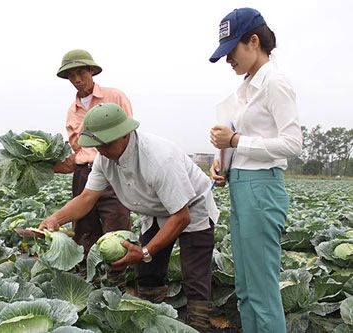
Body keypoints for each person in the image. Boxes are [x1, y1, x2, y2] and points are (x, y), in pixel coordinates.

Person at [40, 103, 219, 331]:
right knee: (146, 272)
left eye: (105, 143)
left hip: (193, 209)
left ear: (124, 135)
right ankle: (151, 322)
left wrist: (145, 251)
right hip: (155, 212)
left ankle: (198, 326)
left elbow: (181, 217)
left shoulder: (158, 158)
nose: (100, 149)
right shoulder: (104, 159)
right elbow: (86, 198)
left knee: (194, 274)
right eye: (97, 144)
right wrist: (56, 218)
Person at [208, 8, 302, 333]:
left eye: (232, 51)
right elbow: (244, 142)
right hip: (240, 185)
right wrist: (222, 163)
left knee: (262, 292)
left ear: (253, 41)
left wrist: (236, 139)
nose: (228, 60)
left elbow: (292, 144)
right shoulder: (245, 89)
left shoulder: (275, 83)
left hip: (262, 190)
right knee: (245, 290)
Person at [53, 49, 133, 289]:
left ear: (91, 71)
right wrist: (49, 165)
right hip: (83, 174)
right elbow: (77, 151)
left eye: (81, 73)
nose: (77, 79)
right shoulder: (72, 110)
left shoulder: (115, 96)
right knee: (84, 231)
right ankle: (90, 283)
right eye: (71, 76)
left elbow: (128, 136)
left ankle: (116, 284)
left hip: (112, 170)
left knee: (116, 227)